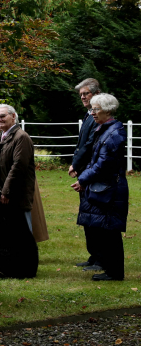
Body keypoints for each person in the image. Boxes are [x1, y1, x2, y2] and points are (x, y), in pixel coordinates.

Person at [73, 94, 128, 281]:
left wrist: (83, 180)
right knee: (104, 230)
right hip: (104, 187)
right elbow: (94, 159)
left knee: (110, 232)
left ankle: (114, 272)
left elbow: (104, 163)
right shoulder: (104, 129)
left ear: (108, 110)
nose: (93, 112)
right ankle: (109, 269)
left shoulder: (114, 133)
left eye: (96, 109)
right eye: (92, 109)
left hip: (110, 190)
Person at [69, 78, 102, 269]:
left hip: (91, 172)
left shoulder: (98, 117)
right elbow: (81, 143)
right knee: (87, 215)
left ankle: (100, 257)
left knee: (94, 216)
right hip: (84, 170)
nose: (82, 97)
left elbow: (89, 145)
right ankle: (94, 255)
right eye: (81, 94)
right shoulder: (89, 114)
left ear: (96, 94)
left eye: (86, 93)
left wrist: (75, 164)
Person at [0, 104, 36, 233]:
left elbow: (18, 167)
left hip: (17, 193)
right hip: (1, 193)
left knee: (22, 233)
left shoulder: (21, 137)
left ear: (13, 116)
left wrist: (6, 191)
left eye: (2, 116)